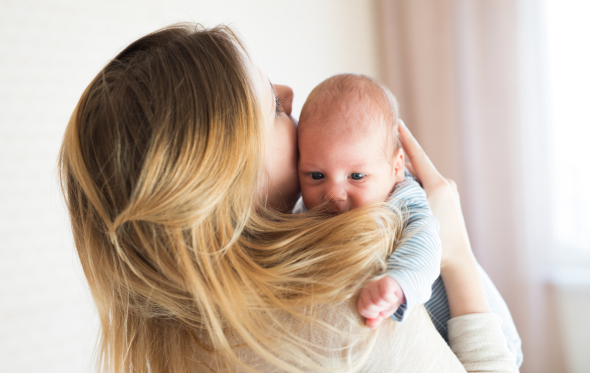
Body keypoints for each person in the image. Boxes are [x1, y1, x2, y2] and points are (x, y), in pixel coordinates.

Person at [59, 23, 518, 372]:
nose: (289, 94)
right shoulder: (348, 307)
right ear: (231, 181)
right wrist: (455, 257)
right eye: (274, 108)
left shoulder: (177, 343)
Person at [296, 73, 523, 366]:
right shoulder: (310, 211)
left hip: (493, 337)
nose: (334, 193)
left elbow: (426, 244)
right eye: (316, 176)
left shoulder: (403, 198)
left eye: (357, 176)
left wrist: (399, 283)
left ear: (396, 168)